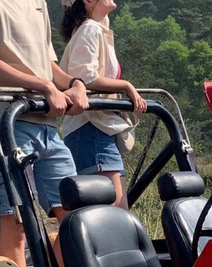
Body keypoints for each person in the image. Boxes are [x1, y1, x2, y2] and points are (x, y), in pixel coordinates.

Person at [0, 0, 89, 267]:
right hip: (7, 119)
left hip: (46, 123)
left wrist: (75, 84)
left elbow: (47, 63)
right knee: (17, 219)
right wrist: (42, 86)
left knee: (75, 214)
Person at [59, 0, 147, 210]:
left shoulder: (96, 30)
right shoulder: (90, 29)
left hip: (98, 129)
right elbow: (84, 79)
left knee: (113, 212)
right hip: (91, 129)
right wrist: (126, 86)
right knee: (113, 213)